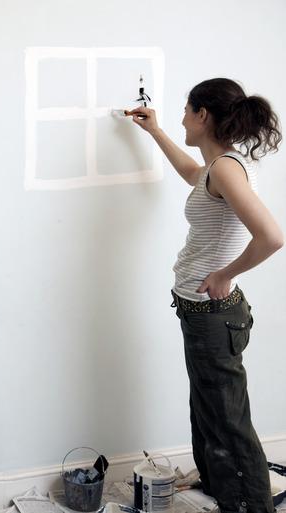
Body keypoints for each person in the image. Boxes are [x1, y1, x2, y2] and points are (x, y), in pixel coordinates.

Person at [131, 79, 283, 513]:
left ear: (203, 115)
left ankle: (254, 506)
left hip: (213, 312)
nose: (180, 118)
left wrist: (224, 273)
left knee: (229, 422)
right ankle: (225, 495)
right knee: (209, 410)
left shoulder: (226, 169)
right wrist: (156, 131)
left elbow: (272, 236)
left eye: (185, 110)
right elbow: (191, 174)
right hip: (205, 314)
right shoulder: (219, 167)